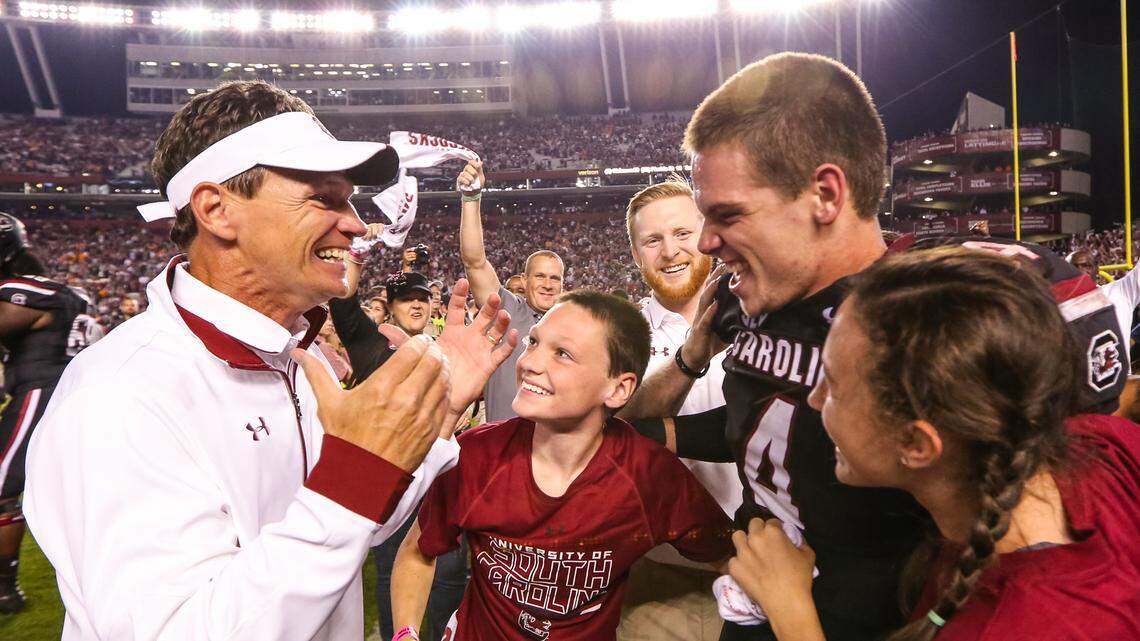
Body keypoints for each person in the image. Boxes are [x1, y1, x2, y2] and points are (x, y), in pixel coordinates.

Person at [23, 80, 516, 641]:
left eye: (350, 200)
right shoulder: (120, 393)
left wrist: (436, 412)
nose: (356, 223)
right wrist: (355, 477)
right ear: (217, 210)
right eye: (324, 199)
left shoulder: (291, 359)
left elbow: (356, 527)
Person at [620, 53, 926, 641]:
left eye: (726, 216)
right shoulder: (741, 301)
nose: (708, 242)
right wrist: (656, 429)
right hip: (750, 596)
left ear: (826, 195)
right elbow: (757, 421)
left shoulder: (932, 310)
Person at [727, 248, 1140, 641]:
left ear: (916, 443)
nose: (814, 400)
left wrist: (790, 610)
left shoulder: (1027, 625)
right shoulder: (1107, 444)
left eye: (832, 385)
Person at [391, 291, 734, 641]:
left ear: (618, 388)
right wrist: (406, 634)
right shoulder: (479, 454)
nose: (529, 363)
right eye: (534, 341)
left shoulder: (648, 475)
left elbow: (732, 557)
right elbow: (418, 551)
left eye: (563, 354)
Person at [618, 179, 743, 641]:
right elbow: (616, 428)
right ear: (636, 254)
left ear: (708, 235)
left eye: (682, 234)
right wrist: (690, 357)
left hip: (771, 562)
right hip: (663, 575)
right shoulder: (619, 333)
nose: (669, 251)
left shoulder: (760, 312)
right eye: (652, 240)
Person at [0, 212, 92, 614]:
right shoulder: (66, 290)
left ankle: (4, 588)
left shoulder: (22, 291)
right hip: (73, 391)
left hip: (42, 391)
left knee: (2, 488)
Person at [458, 159, 566, 422]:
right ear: (524, 280)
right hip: (502, 448)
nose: (548, 284)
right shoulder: (506, 310)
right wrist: (471, 198)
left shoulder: (572, 323)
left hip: (554, 450)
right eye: (540, 276)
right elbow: (474, 262)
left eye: (555, 278)